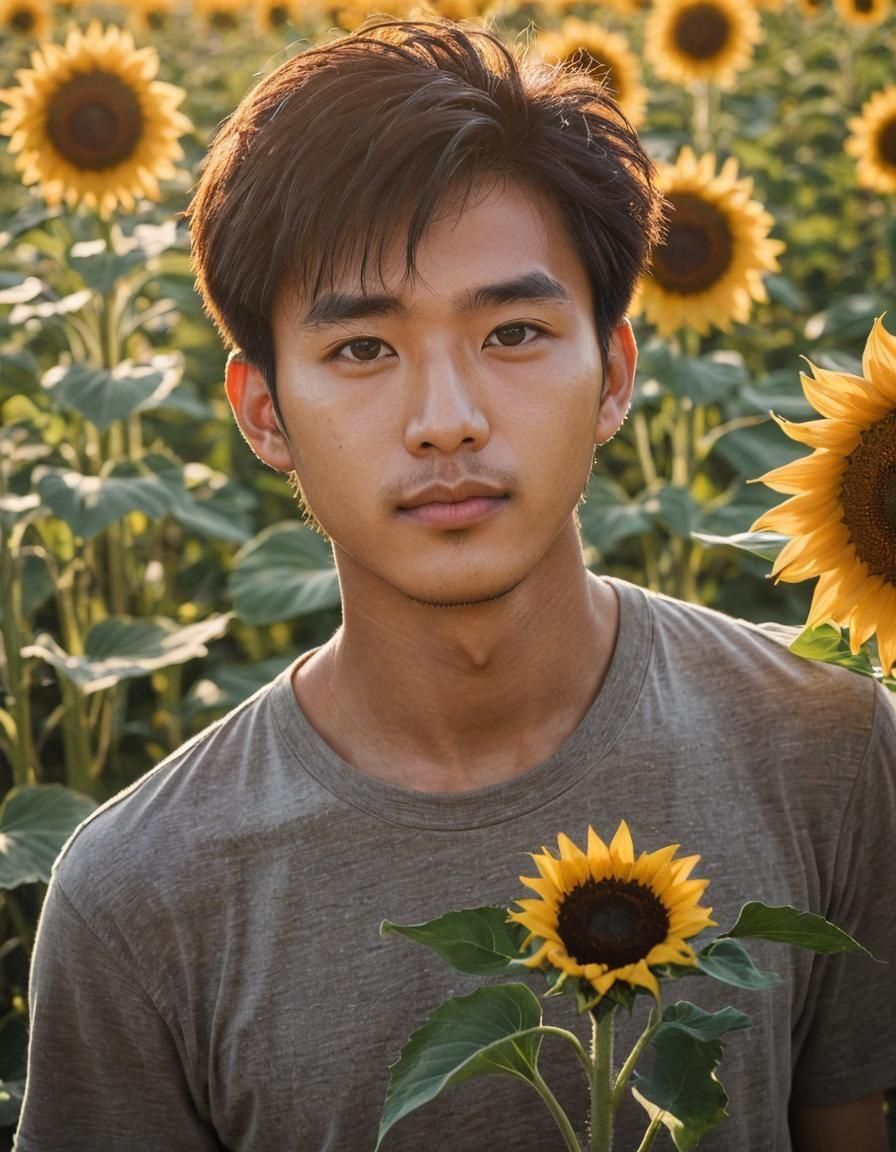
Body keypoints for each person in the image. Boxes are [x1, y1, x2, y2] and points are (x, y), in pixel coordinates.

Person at [14, 19, 895, 1152]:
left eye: (514, 331)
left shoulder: (824, 748)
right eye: (363, 351)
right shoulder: (138, 902)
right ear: (262, 413)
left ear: (614, 373)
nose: (446, 422)